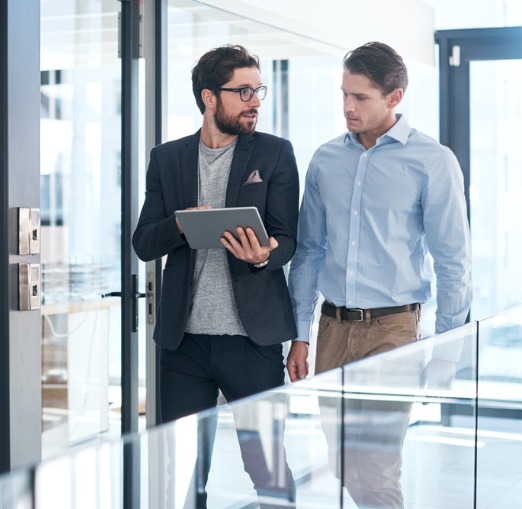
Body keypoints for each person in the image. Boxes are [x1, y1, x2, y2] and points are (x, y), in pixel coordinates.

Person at [287, 41, 473, 508]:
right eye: (344, 94)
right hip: (331, 330)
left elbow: (453, 261)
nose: (348, 107)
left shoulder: (433, 161)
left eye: (361, 97)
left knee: (376, 466)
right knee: (343, 463)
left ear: (395, 97)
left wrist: (447, 354)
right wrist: (300, 335)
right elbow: (308, 252)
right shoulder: (326, 160)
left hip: (393, 332)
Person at [132, 44, 299, 508]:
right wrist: (182, 224)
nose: (255, 100)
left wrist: (264, 255)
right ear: (209, 97)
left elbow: (288, 237)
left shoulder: (275, 153)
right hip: (184, 344)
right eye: (243, 91)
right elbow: (144, 241)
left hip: (253, 339)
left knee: (266, 467)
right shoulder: (168, 159)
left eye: (258, 90)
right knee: (181, 473)